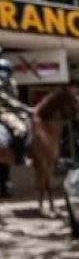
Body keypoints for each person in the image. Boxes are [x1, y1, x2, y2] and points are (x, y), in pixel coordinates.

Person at [0, 54, 33, 191]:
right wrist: (25, 108)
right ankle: (20, 156)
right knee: (20, 128)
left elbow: (14, 100)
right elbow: (8, 100)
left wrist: (24, 111)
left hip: (12, 111)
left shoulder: (11, 83)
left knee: (29, 123)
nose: (4, 74)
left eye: (6, 71)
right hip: (3, 111)